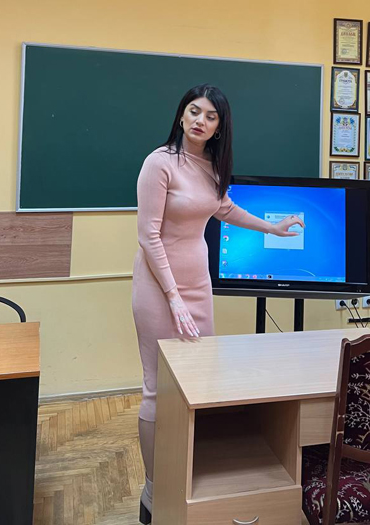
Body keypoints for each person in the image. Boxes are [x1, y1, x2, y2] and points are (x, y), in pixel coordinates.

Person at [132, 84, 304, 523]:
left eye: (210, 116)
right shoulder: (159, 163)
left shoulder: (211, 165)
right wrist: (173, 297)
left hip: (197, 284)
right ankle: (153, 490)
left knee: (198, 383)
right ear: (181, 115)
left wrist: (272, 229)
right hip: (158, 287)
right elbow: (149, 236)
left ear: (219, 127)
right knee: (157, 388)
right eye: (194, 111)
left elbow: (224, 208)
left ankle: (189, 474)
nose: (200, 121)